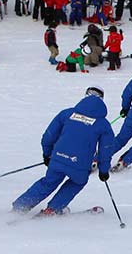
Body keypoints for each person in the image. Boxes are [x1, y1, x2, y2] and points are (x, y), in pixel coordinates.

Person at [12, 87, 118, 216]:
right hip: (80, 165)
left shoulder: (66, 114)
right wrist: (103, 169)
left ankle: (20, 206)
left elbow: (49, 136)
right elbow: (105, 150)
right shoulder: (103, 124)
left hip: (58, 158)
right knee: (77, 182)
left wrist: (47, 154)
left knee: (48, 182)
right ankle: (52, 209)